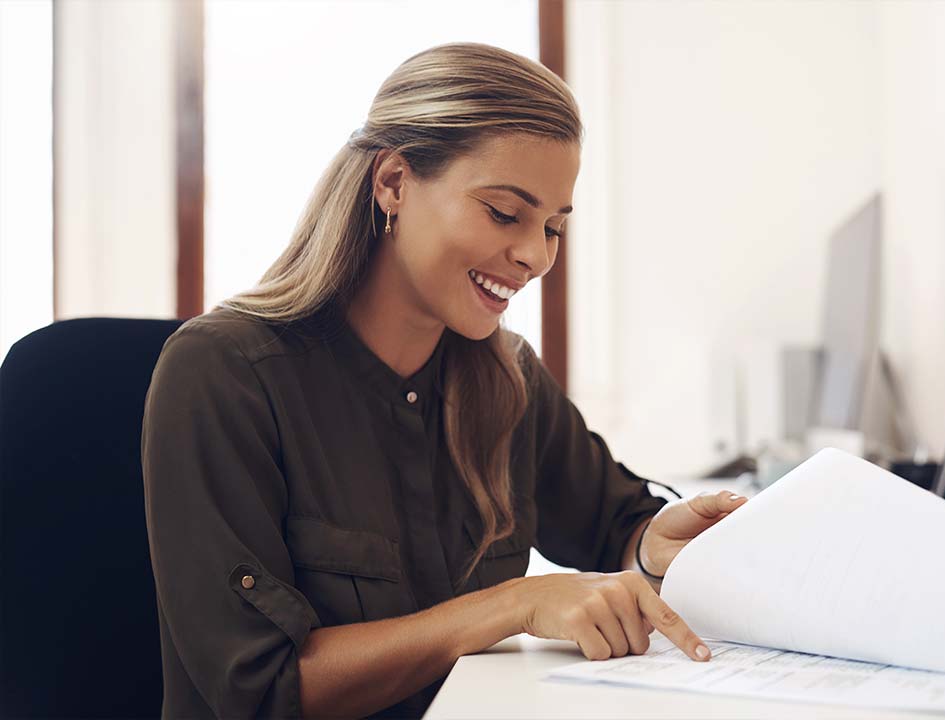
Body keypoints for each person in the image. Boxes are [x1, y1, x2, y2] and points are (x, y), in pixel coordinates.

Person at [141, 42, 748, 719]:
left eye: (552, 227)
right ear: (394, 183)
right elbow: (260, 687)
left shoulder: (508, 376)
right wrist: (515, 604)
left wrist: (653, 542)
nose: (534, 256)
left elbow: (614, 525)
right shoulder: (225, 376)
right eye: (504, 213)